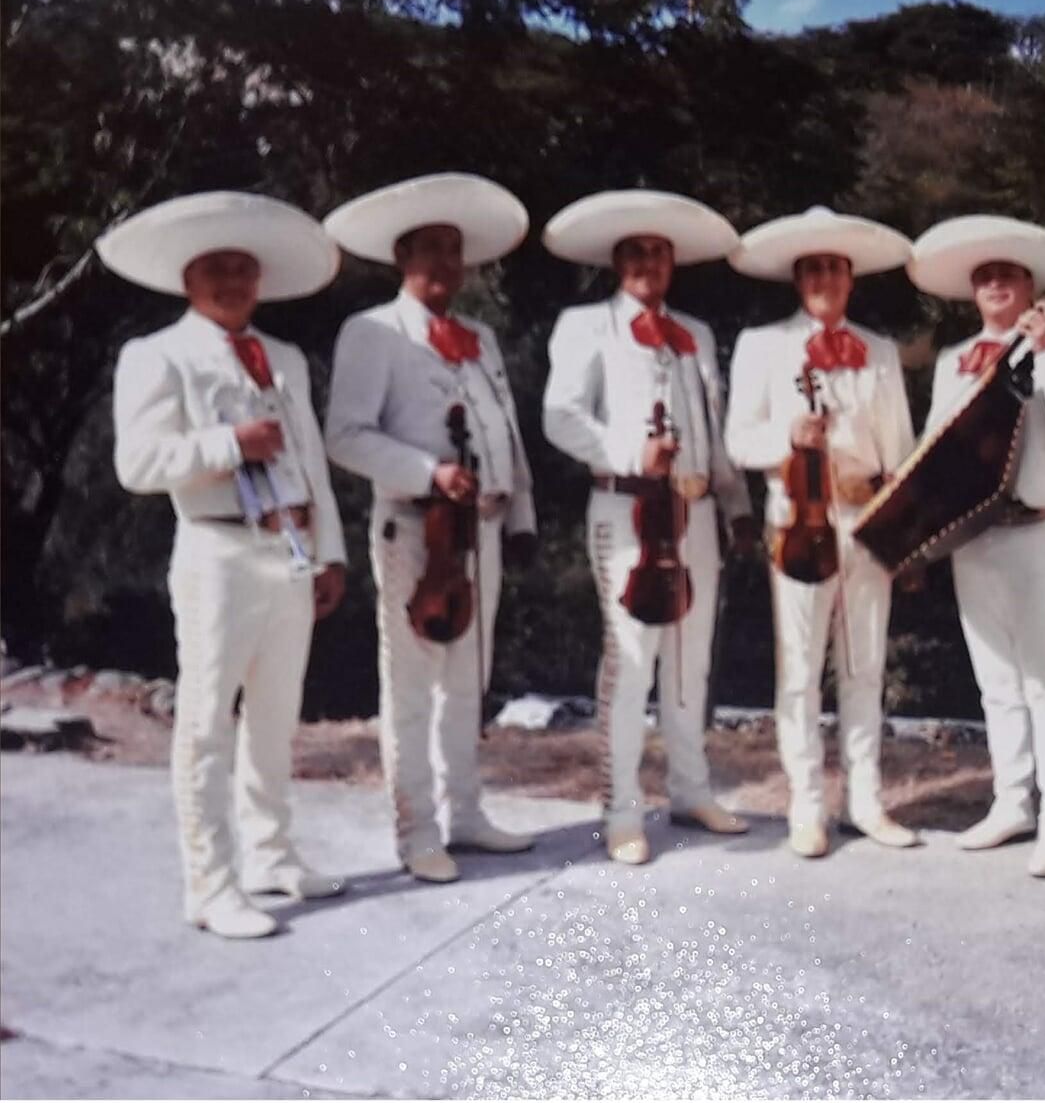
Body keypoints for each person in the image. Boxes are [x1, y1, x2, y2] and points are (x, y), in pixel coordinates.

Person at [106, 191, 348, 938]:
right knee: (207, 720)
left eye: (244, 270)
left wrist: (330, 550)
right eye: (217, 270)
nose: (233, 283)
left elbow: (309, 457)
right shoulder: (157, 354)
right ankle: (210, 884)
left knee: (276, 715)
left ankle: (272, 852)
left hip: (290, 546)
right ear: (189, 281)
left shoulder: (285, 358)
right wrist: (226, 445)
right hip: (216, 547)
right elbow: (137, 462)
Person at [323, 172, 538, 884]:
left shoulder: (478, 338)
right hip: (416, 528)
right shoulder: (374, 331)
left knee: (468, 680)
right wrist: (427, 471)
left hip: (479, 531)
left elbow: (503, 428)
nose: (444, 263)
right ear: (401, 257)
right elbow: (345, 435)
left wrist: (521, 512)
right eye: (428, 250)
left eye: (454, 249)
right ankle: (416, 829)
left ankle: (465, 813)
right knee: (412, 683)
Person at [542, 189, 757, 865]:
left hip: (693, 509)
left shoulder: (695, 333)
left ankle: (691, 789)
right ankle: (620, 809)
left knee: (692, 660)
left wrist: (736, 503)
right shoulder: (586, 325)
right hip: (627, 504)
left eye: (658, 253)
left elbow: (713, 430)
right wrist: (630, 452)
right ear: (615, 260)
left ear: (672, 263)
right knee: (631, 657)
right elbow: (560, 415)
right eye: (634, 252)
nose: (647, 263)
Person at [909, 215, 1045, 878]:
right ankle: (1012, 800)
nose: (996, 285)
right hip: (972, 535)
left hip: (1033, 531)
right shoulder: (951, 361)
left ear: (1030, 287)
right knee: (994, 679)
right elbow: (933, 450)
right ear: (973, 290)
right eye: (985, 276)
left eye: (1009, 275)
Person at [725, 206, 919, 859]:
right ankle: (807, 806)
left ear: (851, 278)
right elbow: (737, 439)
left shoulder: (881, 350)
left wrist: (904, 531)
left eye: (835, 268)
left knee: (864, 663)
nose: (825, 279)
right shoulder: (764, 344)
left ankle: (865, 799)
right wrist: (787, 436)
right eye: (813, 269)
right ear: (797, 278)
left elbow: (901, 451)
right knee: (800, 670)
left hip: (866, 517)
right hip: (799, 517)